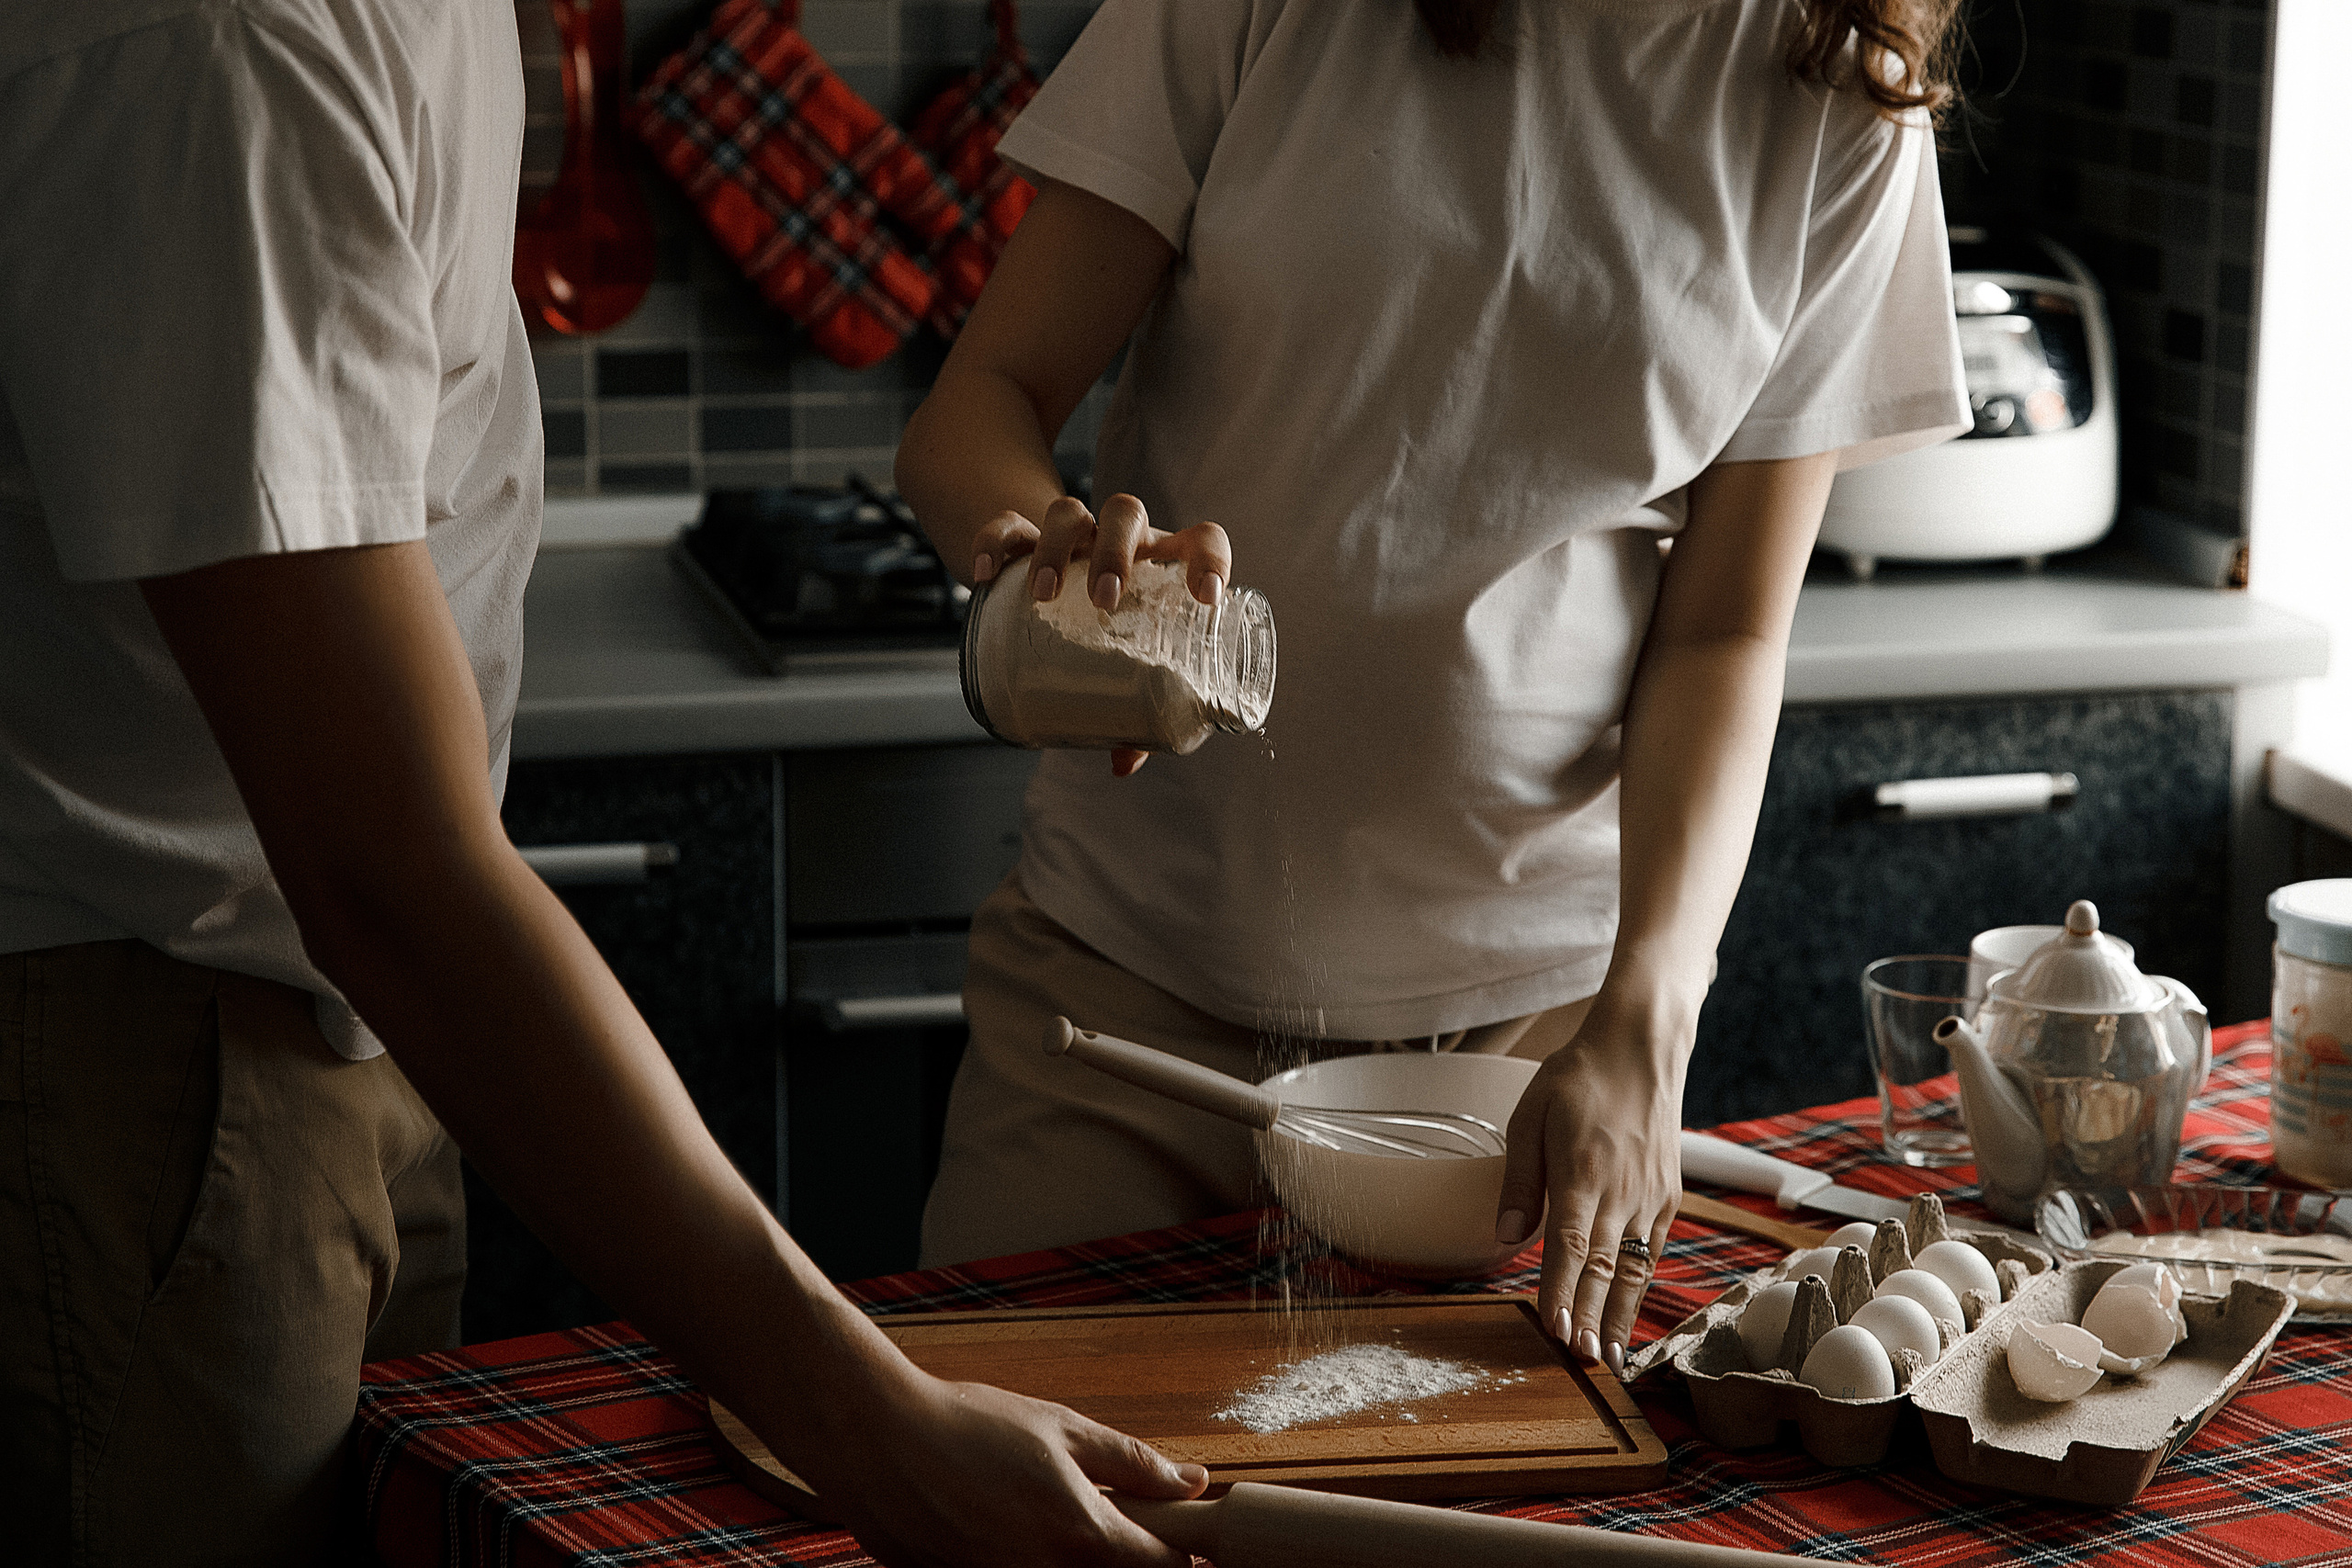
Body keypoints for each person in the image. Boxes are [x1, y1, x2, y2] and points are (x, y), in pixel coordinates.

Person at [0, 2, 1204, 1562]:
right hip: (163, 1045)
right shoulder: (229, 41)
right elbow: (386, 874)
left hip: (304, 1020)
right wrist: (868, 1423)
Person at [897, 0, 1970, 1375]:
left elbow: (1723, 637)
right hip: (1124, 1004)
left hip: (1515, 1058)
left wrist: (1650, 1009)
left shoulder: (1842, 92)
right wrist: (1041, 544)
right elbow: (982, 400)